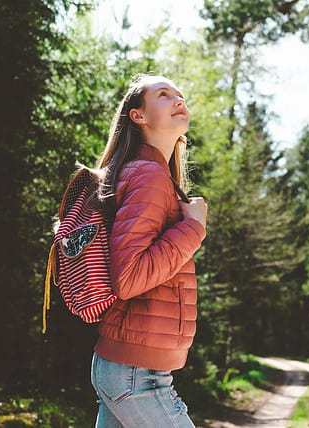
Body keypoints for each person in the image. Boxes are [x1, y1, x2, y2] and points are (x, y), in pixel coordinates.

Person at [90, 74, 207, 427]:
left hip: (128, 368)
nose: (178, 99)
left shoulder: (154, 175)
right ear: (138, 116)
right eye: (163, 94)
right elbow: (129, 278)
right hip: (136, 376)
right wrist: (194, 228)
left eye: (180, 95)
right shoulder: (148, 176)